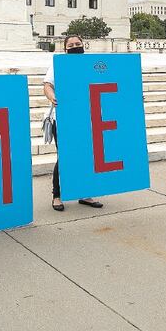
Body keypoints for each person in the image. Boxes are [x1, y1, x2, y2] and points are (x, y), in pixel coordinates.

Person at [43, 34, 103, 212]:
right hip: (63, 118)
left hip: (86, 118)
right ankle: (57, 195)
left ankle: (84, 193)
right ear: (65, 48)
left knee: (86, 155)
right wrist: (53, 98)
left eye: (78, 43)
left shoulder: (90, 65)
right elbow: (47, 85)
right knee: (65, 156)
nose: (76, 46)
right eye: (72, 44)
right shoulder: (58, 64)